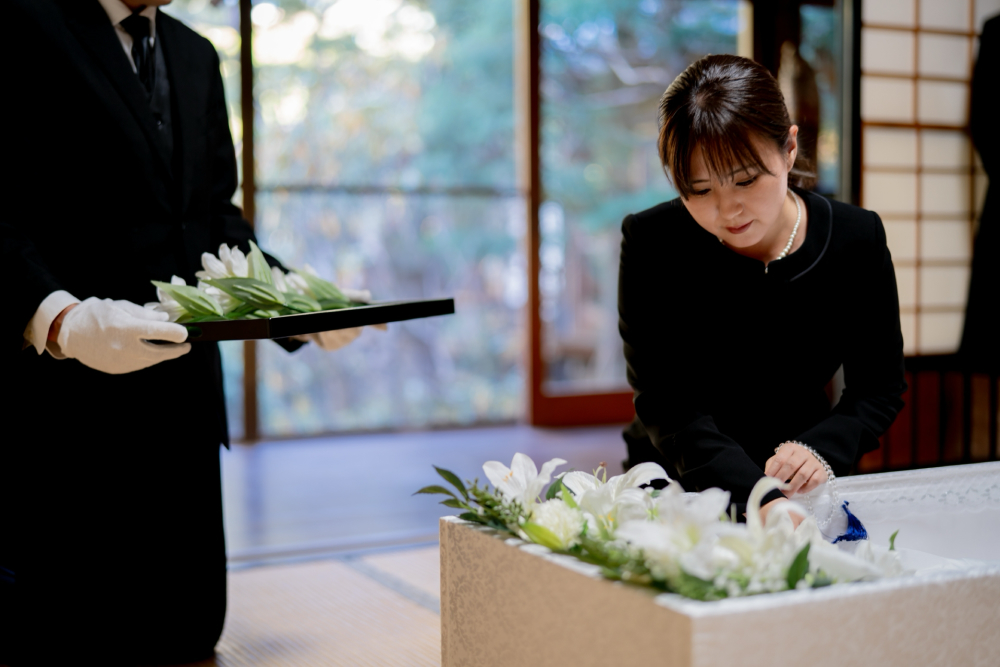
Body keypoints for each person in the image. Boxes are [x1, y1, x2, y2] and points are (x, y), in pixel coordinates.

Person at [1, 1, 371, 663]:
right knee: (69, 634)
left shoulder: (195, 52)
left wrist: (301, 303)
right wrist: (58, 316)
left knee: (192, 633)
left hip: (187, 408)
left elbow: (215, 221)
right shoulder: (24, 23)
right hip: (71, 409)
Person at [617, 55, 906, 524]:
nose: (728, 210)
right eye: (700, 190)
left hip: (799, 477)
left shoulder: (856, 238)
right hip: (680, 477)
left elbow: (879, 388)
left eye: (747, 180)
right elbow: (666, 402)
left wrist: (817, 450)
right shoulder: (654, 242)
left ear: (789, 149)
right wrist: (757, 498)